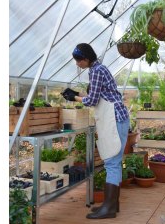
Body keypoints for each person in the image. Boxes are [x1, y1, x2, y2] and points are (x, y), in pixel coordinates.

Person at [62, 43, 129, 219]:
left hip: (114, 121)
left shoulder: (96, 71)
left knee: (112, 161)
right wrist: (77, 94)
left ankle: (109, 208)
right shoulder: (98, 68)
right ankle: (113, 204)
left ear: (86, 59)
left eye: (78, 61)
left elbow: (92, 101)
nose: (77, 64)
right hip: (116, 119)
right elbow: (99, 96)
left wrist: (74, 97)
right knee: (114, 161)